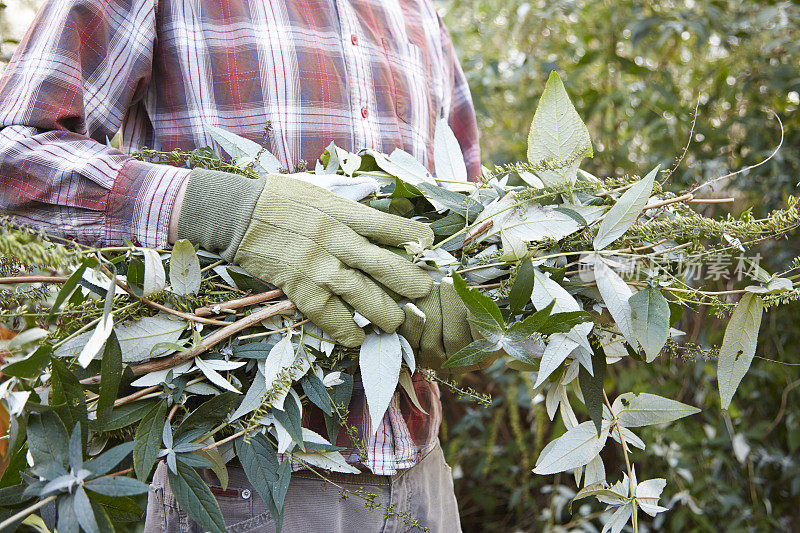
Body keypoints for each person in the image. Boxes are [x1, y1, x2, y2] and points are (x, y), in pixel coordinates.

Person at [0, 0, 480, 531]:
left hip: (424, 481)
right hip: (240, 482)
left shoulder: (419, 13)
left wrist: (470, 288)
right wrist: (221, 210)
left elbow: (466, 203)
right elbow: (12, 154)